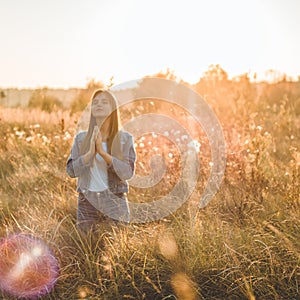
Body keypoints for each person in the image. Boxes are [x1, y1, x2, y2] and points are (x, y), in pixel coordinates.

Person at [66, 88, 136, 233]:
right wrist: (90, 154)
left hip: (115, 202)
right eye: (95, 102)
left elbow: (127, 173)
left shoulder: (125, 139)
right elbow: (71, 171)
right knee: (86, 247)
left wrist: (103, 154)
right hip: (87, 203)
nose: (98, 104)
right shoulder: (81, 139)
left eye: (104, 102)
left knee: (117, 248)